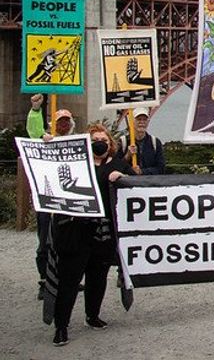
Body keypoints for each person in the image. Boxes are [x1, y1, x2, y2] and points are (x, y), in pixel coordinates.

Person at [48, 124, 134, 346]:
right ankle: (61, 326)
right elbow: (50, 167)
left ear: (110, 143)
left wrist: (123, 175)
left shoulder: (117, 164)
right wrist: (50, 143)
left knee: (98, 278)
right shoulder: (76, 164)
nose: (100, 142)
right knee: (69, 280)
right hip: (76, 233)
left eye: (104, 139)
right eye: (95, 138)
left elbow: (137, 184)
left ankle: (92, 315)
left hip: (102, 234)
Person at [27, 96, 76, 301]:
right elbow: (33, 133)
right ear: (52, 125)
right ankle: (44, 281)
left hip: (69, 204)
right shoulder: (44, 141)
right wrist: (36, 109)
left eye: (66, 121)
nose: (63, 125)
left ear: (71, 125)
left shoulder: (76, 144)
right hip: (47, 203)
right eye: (59, 122)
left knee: (68, 242)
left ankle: (65, 278)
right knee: (45, 243)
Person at [115, 107, 167, 175]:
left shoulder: (155, 142)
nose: (142, 122)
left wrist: (142, 172)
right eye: (139, 119)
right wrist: (127, 156)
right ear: (132, 121)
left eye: (144, 120)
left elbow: (161, 168)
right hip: (129, 183)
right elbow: (116, 168)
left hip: (149, 183)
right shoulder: (123, 142)